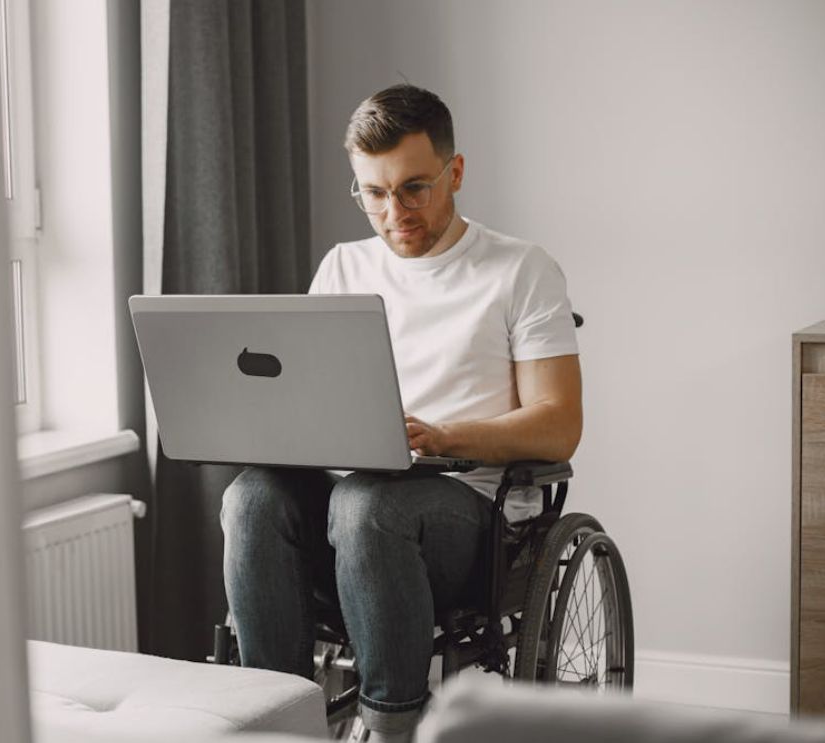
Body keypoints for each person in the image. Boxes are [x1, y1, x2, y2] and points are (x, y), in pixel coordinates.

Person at [219, 84, 583, 743]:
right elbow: (306, 400)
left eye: (414, 188)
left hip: (467, 513)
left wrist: (443, 436)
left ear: (456, 171)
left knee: (368, 503)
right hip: (345, 503)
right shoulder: (343, 265)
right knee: (251, 496)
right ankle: (277, 720)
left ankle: (389, 726)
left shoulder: (519, 270)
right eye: (373, 193)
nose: (394, 213)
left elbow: (557, 424)